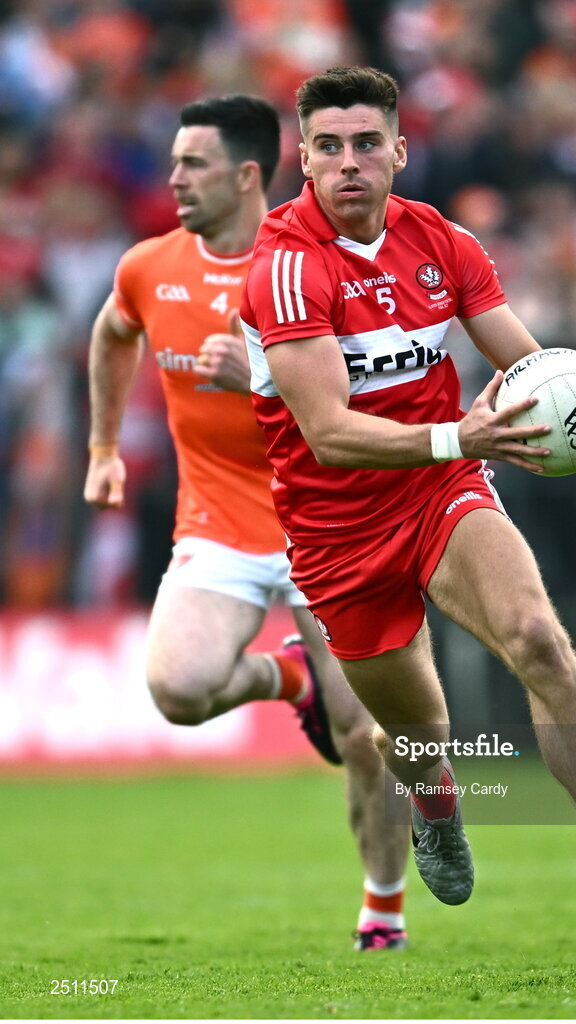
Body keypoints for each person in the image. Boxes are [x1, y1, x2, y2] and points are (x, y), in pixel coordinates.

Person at [240, 66, 576, 945]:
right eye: (329, 147)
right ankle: (438, 802)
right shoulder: (286, 266)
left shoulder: (444, 242)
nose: (349, 164)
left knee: (537, 638)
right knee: (420, 734)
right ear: (302, 158)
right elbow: (330, 433)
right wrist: (465, 434)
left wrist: (569, 418)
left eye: (367, 145)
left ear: (399, 152)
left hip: (441, 491)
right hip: (336, 533)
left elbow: (527, 371)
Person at [83, 94, 410, 952]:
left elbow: (366, 405)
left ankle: (382, 911)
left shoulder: (313, 264)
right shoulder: (150, 267)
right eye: (174, 162)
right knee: (178, 690)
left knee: (368, 735)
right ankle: (288, 679)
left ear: (247, 175)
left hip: (330, 523)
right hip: (219, 523)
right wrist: (103, 446)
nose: (174, 179)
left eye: (192, 164)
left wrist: (260, 373)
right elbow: (113, 334)